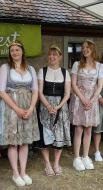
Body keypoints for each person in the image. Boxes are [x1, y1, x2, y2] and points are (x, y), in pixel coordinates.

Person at [0, 40, 39, 186]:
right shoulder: (5, 68)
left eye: (17, 50)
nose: (14, 52)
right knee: (13, 142)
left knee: (25, 141)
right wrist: (16, 108)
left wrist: (32, 107)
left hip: (27, 106)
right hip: (12, 108)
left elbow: (35, 90)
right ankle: (15, 173)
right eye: (12, 50)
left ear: (22, 52)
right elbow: (1, 91)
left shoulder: (30, 69)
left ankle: (23, 172)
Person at [34, 44, 71, 176]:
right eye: (50, 54)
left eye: (54, 54)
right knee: (45, 134)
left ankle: (56, 163)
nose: (52, 56)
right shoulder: (42, 71)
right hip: (45, 106)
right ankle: (47, 164)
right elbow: (39, 91)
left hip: (60, 107)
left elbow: (67, 93)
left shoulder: (65, 72)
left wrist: (58, 106)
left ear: (60, 57)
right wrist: (49, 106)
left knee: (58, 135)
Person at [70, 40, 103, 171]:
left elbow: (99, 85)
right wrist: (83, 98)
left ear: (92, 49)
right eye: (83, 47)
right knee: (78, 129)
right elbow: (73, 84)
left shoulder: (100, 66)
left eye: (87, 47)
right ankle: (77, 157)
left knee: (88, 129)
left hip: (92, 99)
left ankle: (85, 156)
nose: (85, 49)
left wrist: (92, 99)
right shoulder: (77, 64)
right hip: (79, 98)